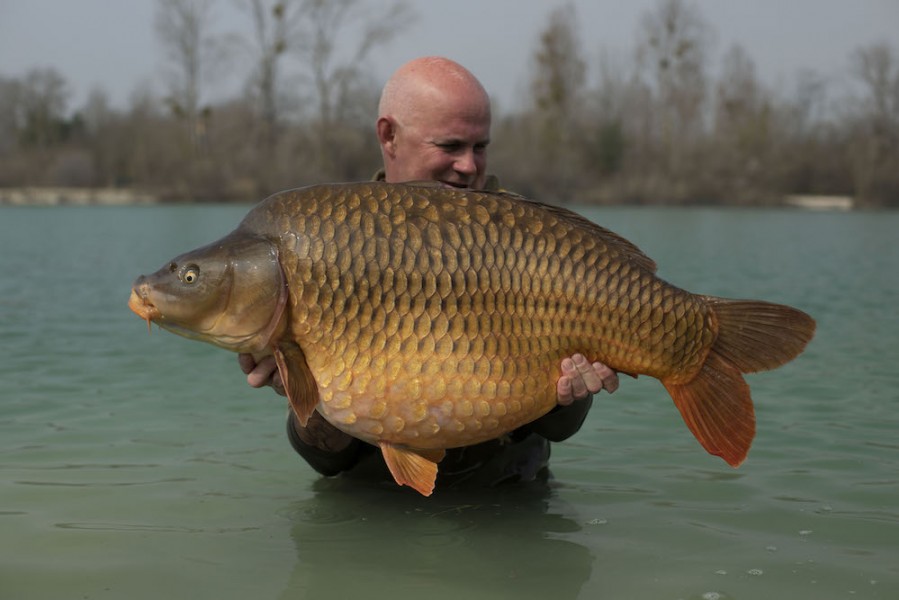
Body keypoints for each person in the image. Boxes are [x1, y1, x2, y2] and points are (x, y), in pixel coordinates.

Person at [239, 56, 619, 488]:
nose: (470, 166)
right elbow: (324, 461)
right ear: (389, 136)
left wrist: (570, 396)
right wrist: (299, 390)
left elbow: (560, 430)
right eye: (450, 146)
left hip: (506, 500)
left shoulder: (525, 236)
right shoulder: (331, 240)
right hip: (376, 516)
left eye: (480, 147)